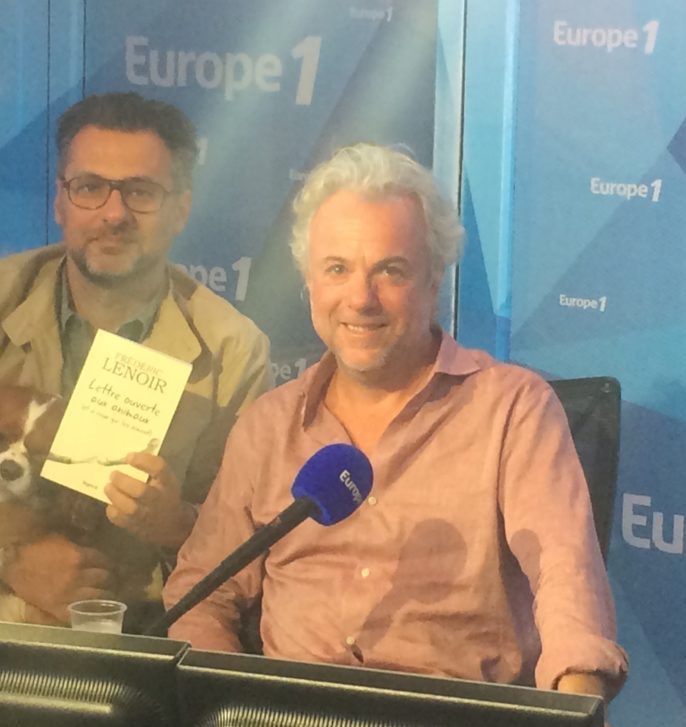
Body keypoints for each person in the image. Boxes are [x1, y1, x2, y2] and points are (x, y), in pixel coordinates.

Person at [163, 144, 628, 699]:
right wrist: (228, 704)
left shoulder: (513, 410)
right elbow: (200, 598)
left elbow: (566, 579)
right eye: (337, 269)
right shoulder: (268, 426)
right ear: (310, 282)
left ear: (433, 281)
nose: (361, 299)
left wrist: (577, 700)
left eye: (390, 270)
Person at [0, 92, 271, 627]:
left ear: (180, 209)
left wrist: (176, 524)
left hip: (131, 631)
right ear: (59, 202)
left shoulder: (232, 350)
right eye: (89, 188)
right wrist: (10, 555)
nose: (114, 214)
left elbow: (248, 558)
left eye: (140, 192)